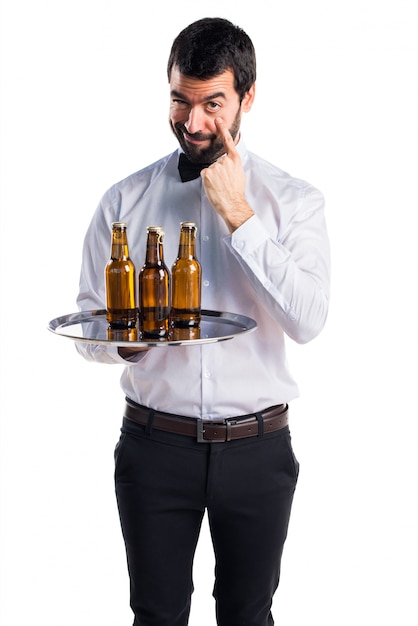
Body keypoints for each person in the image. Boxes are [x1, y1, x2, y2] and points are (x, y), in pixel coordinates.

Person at [76, 17, 330, 626]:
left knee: (248, 616)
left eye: (212, 104)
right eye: (179, 101)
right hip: (154, 447)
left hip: (258, 449)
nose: (193, 123)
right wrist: (129, 345)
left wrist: (240, 216)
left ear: (247, 96)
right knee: (156, 617)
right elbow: (89, 326)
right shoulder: (123, 202)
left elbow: (310, 320)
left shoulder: (292, 201)